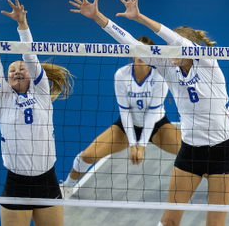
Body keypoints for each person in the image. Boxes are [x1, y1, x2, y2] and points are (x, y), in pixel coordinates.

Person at [70, 0, 229, 226]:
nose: (168, 51)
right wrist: (99, 18)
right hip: (192, 151)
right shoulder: (166, 66)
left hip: (224, 150)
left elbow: (176, 40)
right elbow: (130, 43)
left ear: (190, 48)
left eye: (173, 47)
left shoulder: (208, 63)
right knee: (169, 220)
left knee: (215, 223)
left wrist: (140, 17)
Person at [0, 0, 73, 226]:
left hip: (47, 181)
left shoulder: (41, 92)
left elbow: (30, 56)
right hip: (17, 183)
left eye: (21, 69)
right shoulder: (2, 97)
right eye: (11, 70)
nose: (15, 72)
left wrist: (22, 25)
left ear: (31, 76)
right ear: (6, 79)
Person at [61, 36, 182, 198]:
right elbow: (124, 111)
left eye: (145, 51)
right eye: (137, 50)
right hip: (126, 126)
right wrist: (133, 145)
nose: (141, 55)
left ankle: (224, 187)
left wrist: (142, 147)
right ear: (132, 53)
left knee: (194, 155)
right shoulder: (122, 74)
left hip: (157, 125)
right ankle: (67, 186)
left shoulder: (159, 75)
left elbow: (152, 114)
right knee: (87, 155)